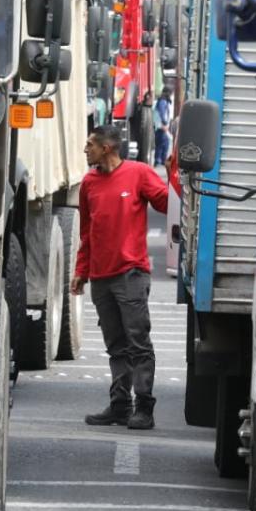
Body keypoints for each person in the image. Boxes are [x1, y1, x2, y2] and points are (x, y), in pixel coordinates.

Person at [71, 125, 168, 429]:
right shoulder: (88, 183)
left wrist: (176, 176)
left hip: (131, 274)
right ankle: (120, 406)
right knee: (116, 346)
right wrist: (80, 272)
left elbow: (167, 203)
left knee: (137, 342)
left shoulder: (138, 173)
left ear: (108, 147)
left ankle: (145, 409)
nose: (86, 149)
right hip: (101, 278)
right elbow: (87, 232)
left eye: (90, 145)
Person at [153, 87, 172, 166]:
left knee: (162, 143)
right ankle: (160, 160)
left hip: (159, 126)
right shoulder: (163, 101)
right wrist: (164, 123)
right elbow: (162, 113)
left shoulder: (161, 100)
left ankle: (159, 160)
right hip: (161, 126)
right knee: (164, 143)